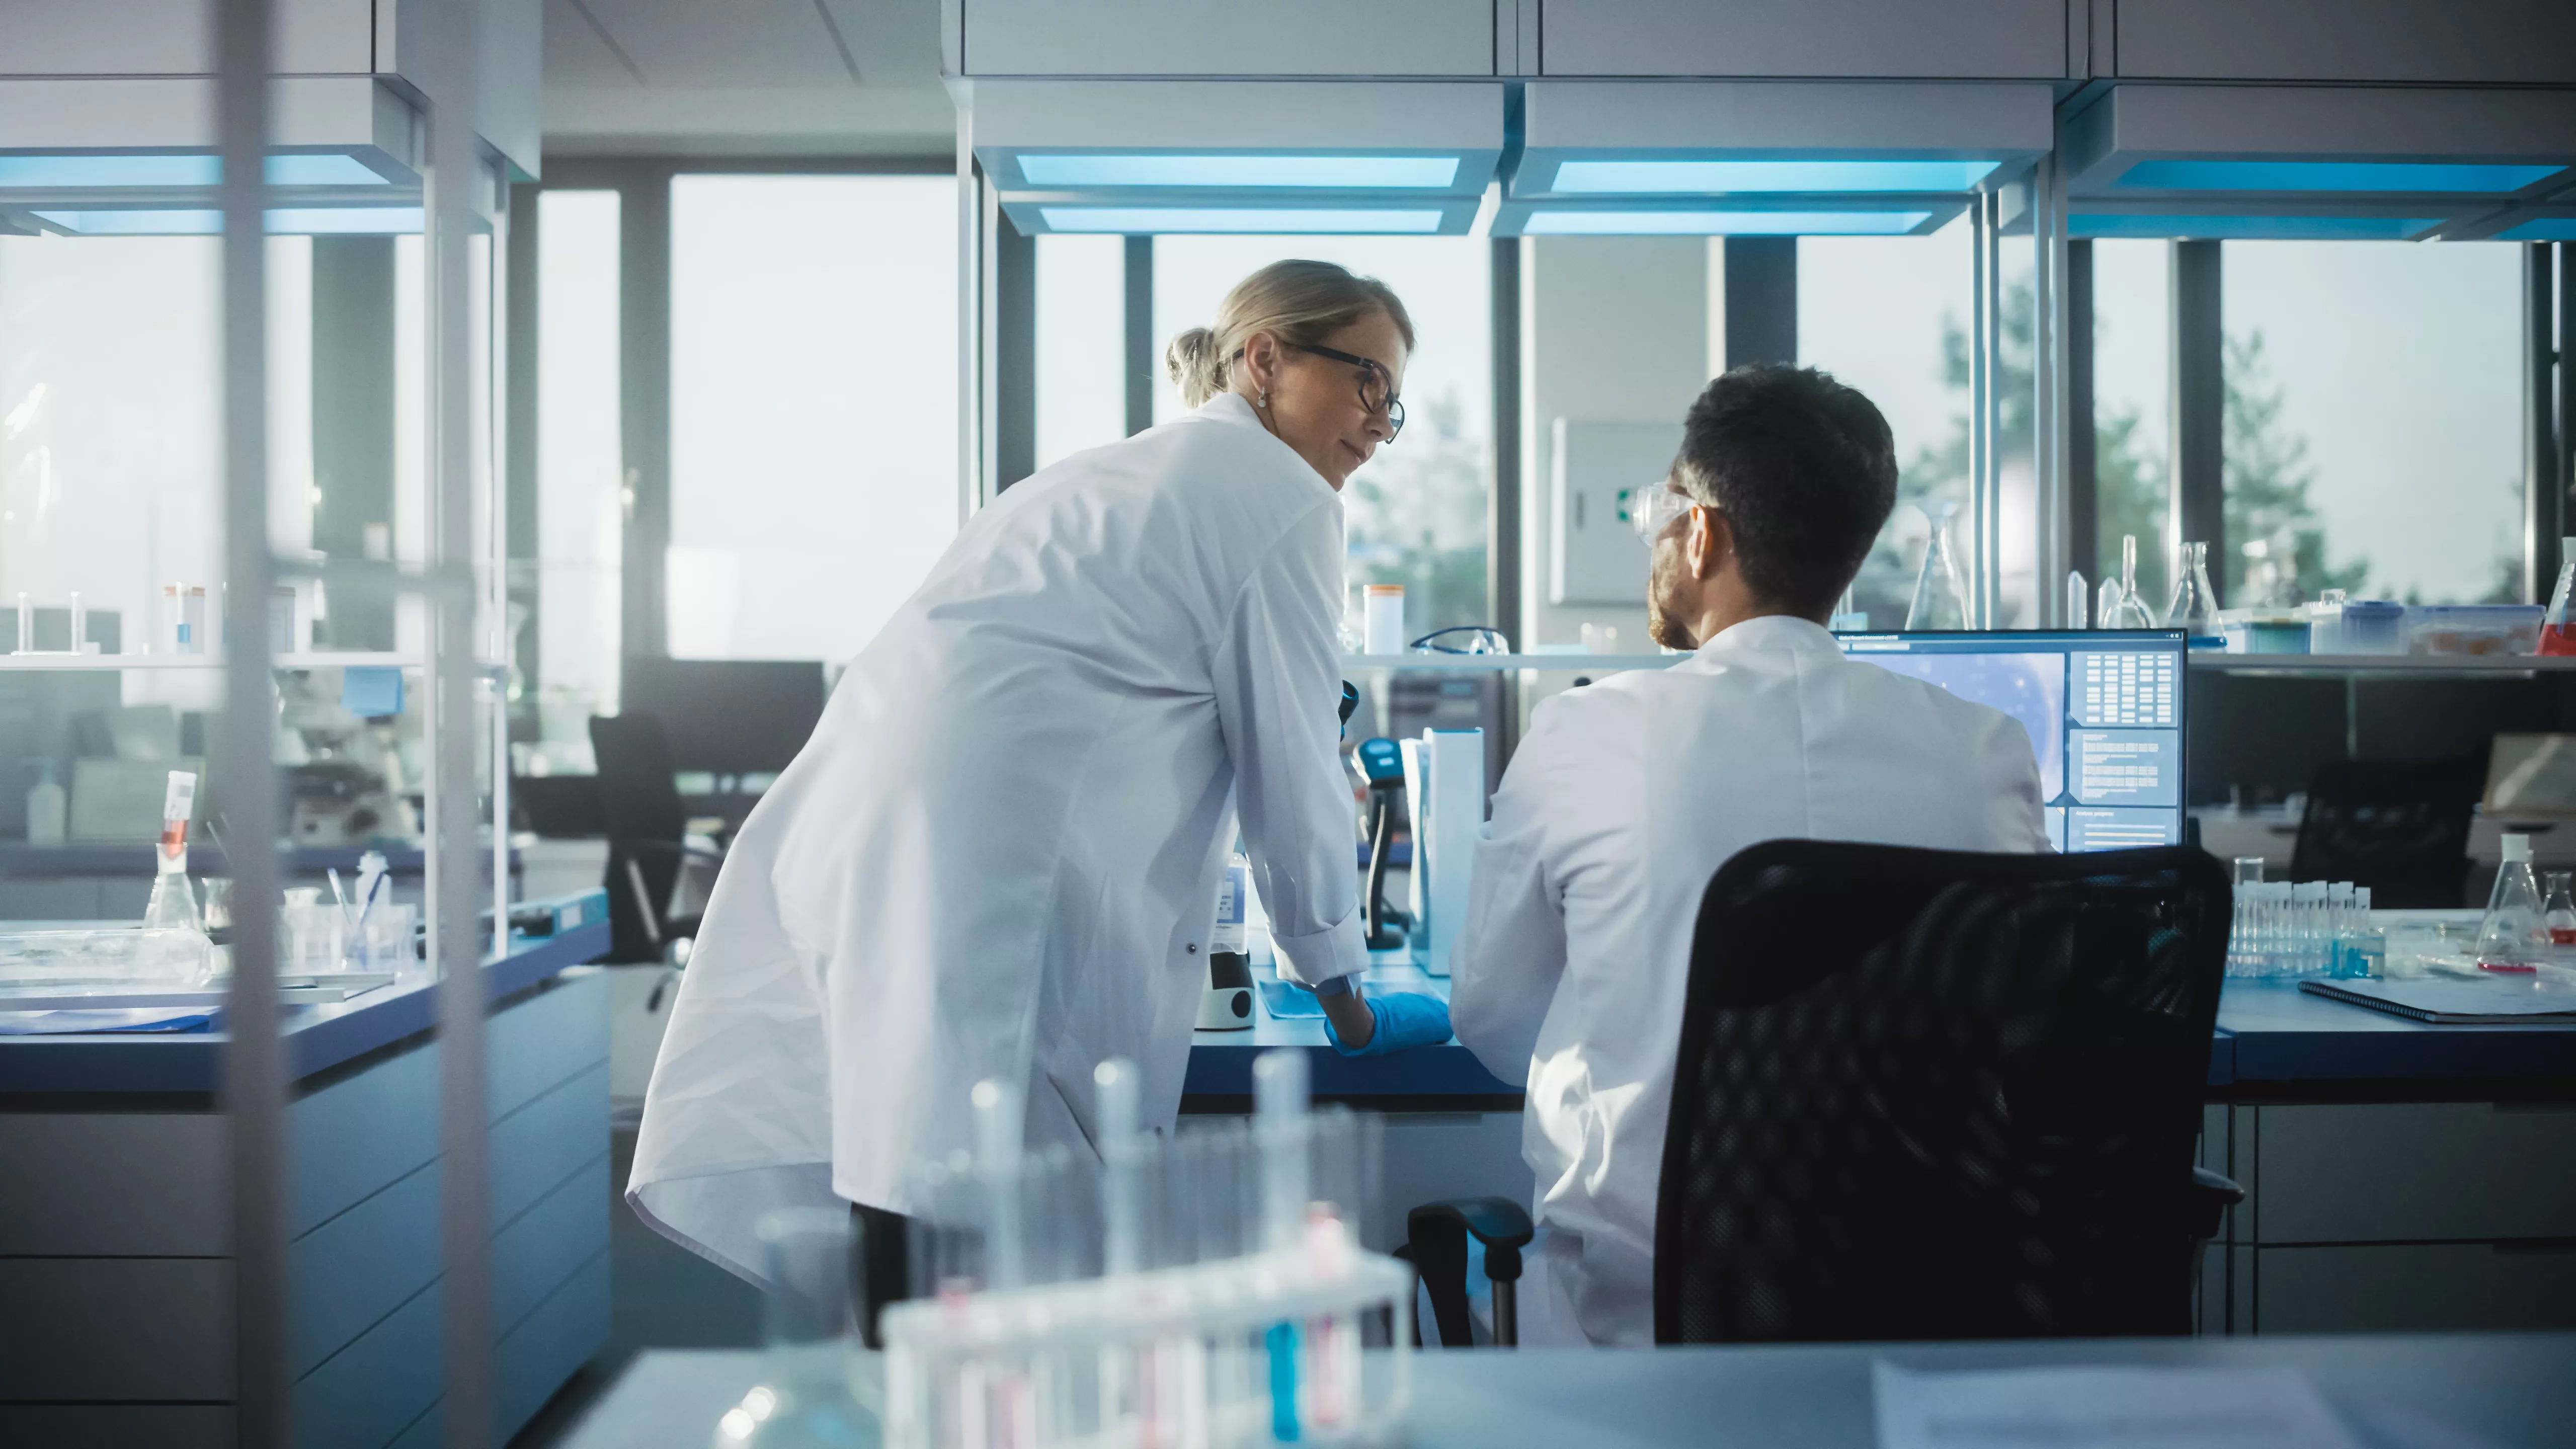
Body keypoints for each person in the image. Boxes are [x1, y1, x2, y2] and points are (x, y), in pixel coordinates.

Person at [628, 260, 1454, 1304]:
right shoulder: (1281, 496)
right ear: (1264, 359)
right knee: (996, 1229)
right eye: (1367, 382)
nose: (1382, 424)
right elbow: (1290, 775)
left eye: (1397, 400)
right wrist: (1348, 1001)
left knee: (906, 1164)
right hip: (993, 865)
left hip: (862, 835)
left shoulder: (1101, 475)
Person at [1447, 364, 2049, 1347]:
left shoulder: (1585, 734)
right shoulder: (1982, 752)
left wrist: (1628, 1032)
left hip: (1636, 1341)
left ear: (1702, 532)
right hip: (1912, 1330)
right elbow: (2022, 1029)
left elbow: (1491, 1018)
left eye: (1660, 509)